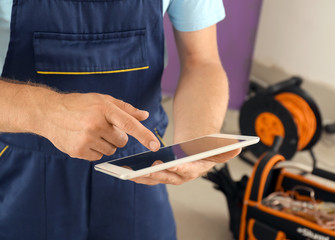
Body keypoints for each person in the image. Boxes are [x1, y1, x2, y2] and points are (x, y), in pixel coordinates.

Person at [0, 0, 239, 239]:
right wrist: (46, 111)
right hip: (19, 168)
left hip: (140, 164)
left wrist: (196, 141)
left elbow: (202, 62)